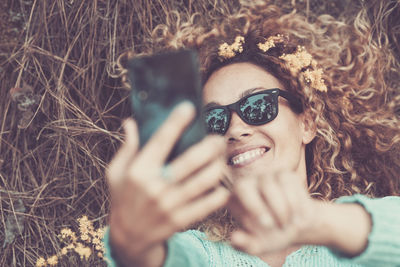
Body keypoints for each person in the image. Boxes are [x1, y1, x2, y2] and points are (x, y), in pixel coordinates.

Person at [104, 2, 400, 267]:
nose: (235, 129)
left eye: (258, 105)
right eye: (214, 120)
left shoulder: (369, 233)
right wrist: (133, 245)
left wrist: (316, 222)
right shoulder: (201, 254)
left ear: (307, 123)